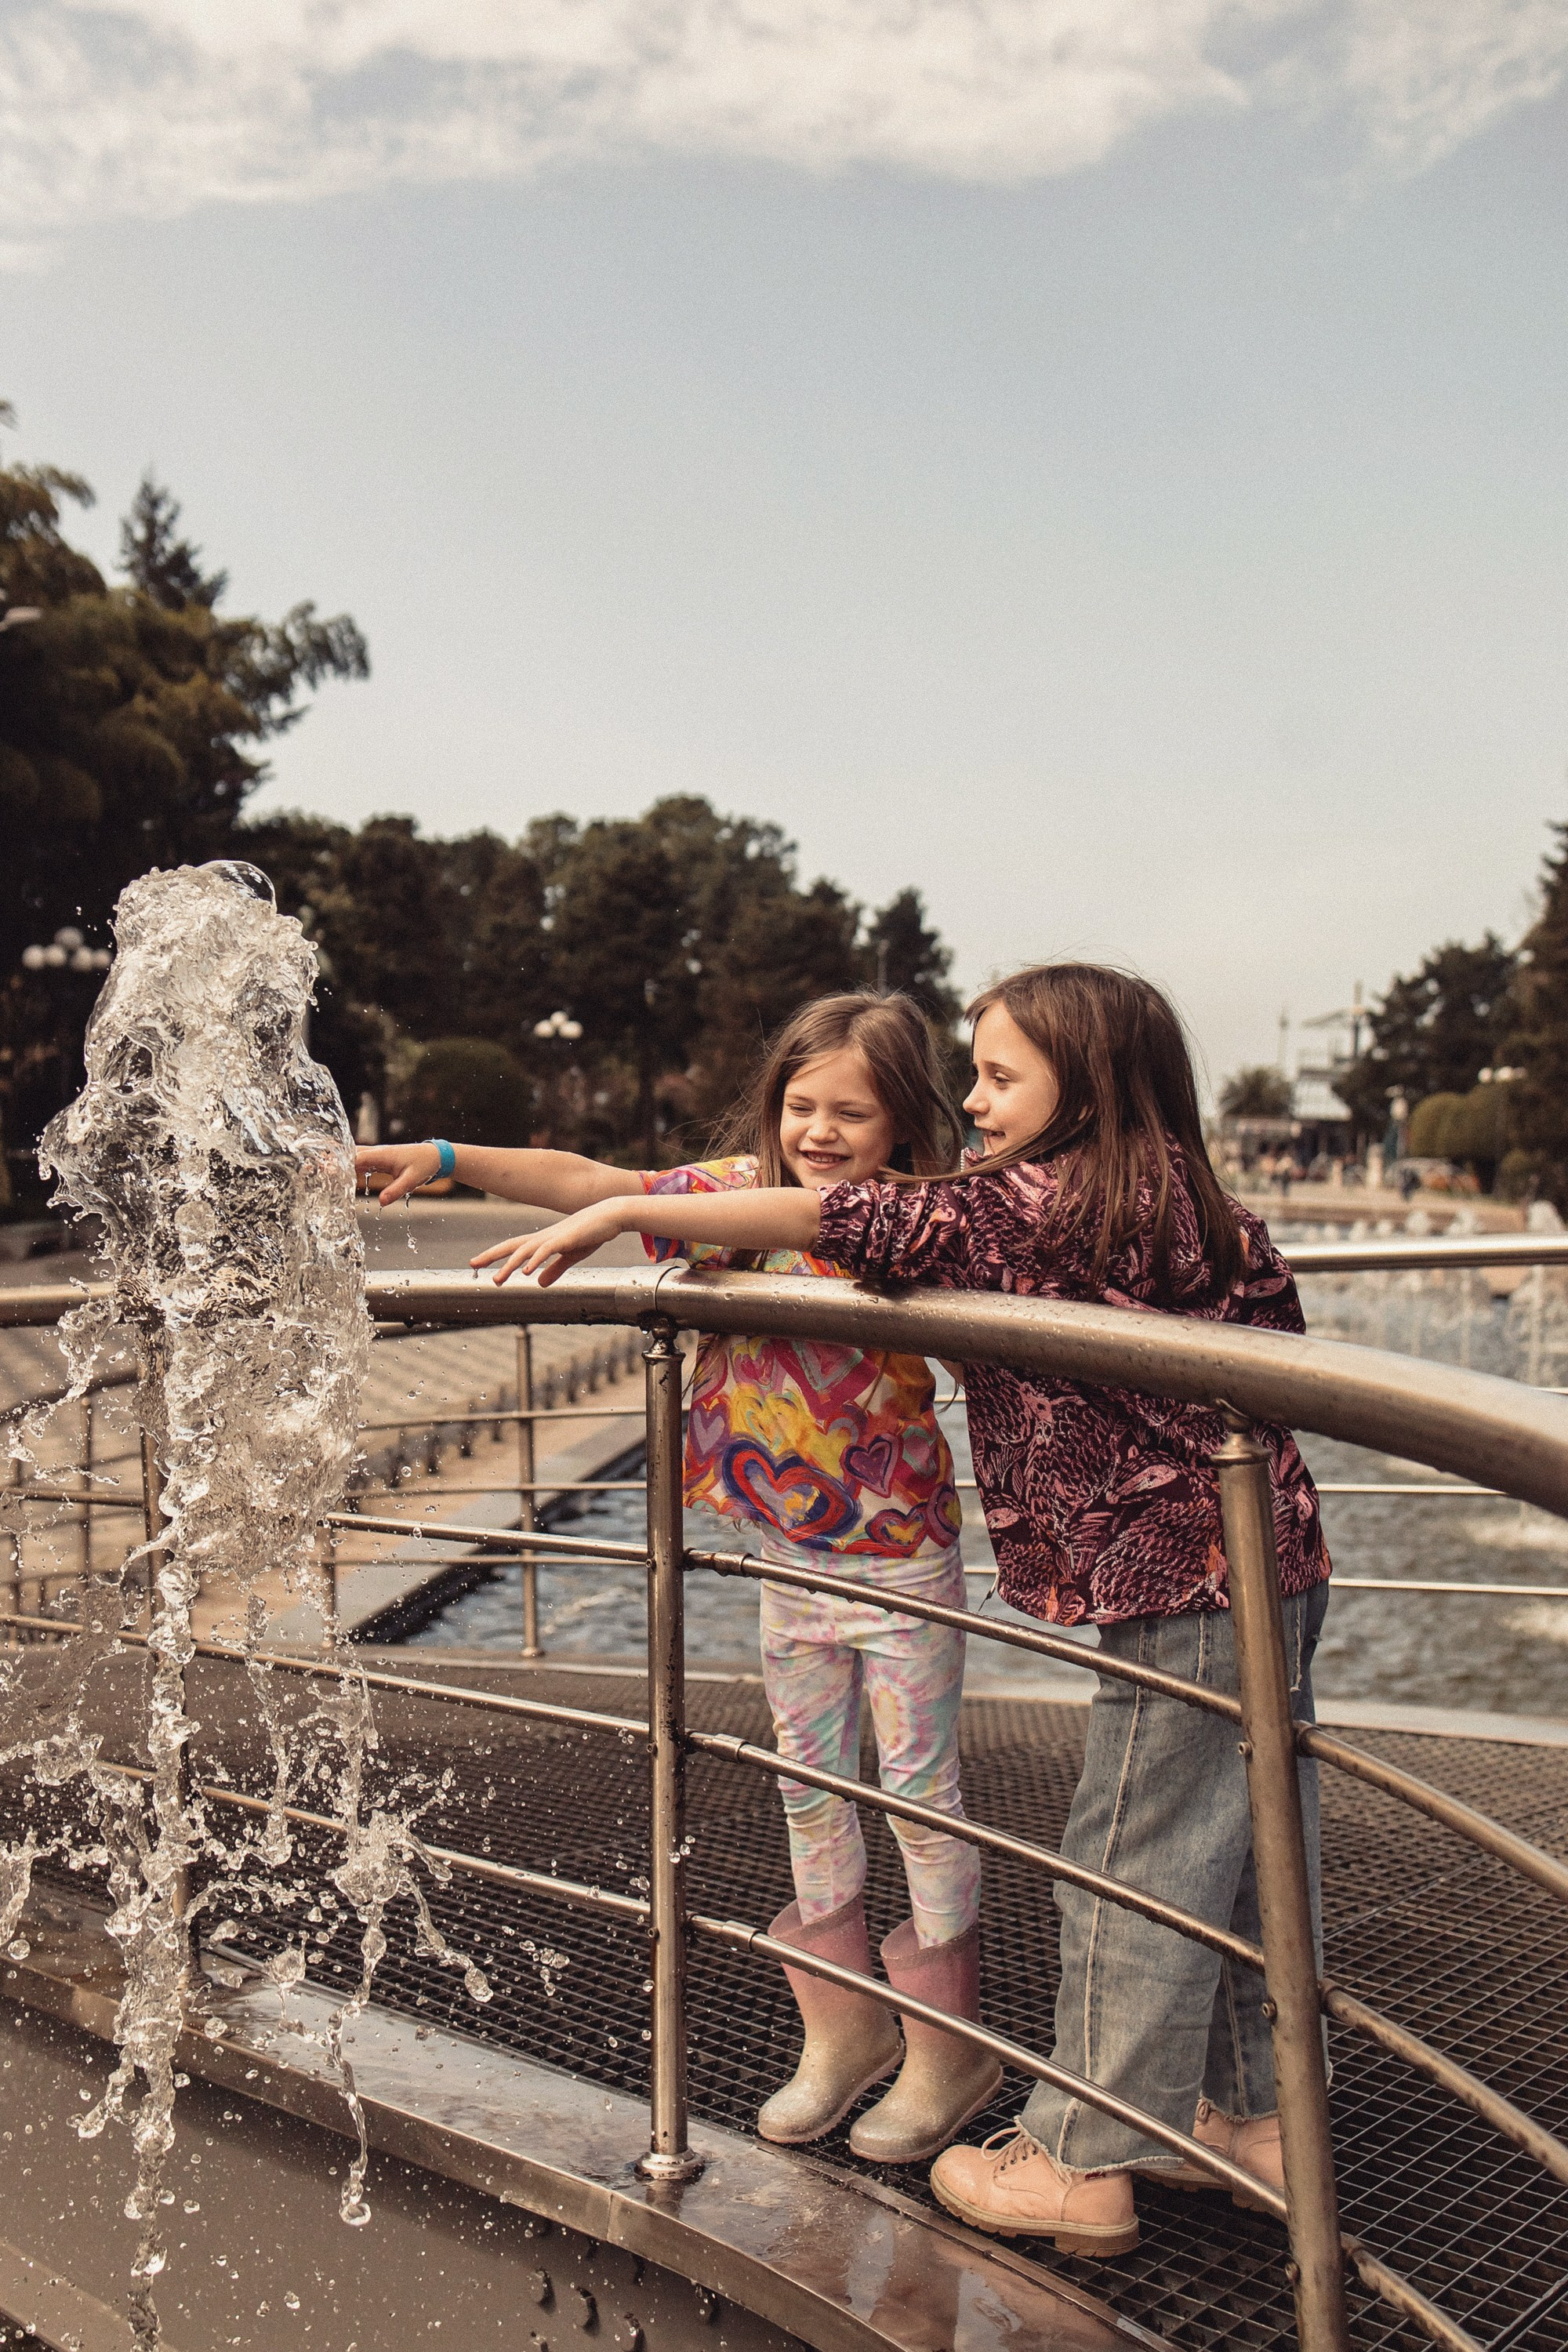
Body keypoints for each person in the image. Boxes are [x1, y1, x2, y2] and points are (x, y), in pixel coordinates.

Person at [500, 964, 1331, 2259]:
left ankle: (1081, 2156)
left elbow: (869, 1223)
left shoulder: (1038, 1202)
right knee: (1237, 1857)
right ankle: (1245, 2117)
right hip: (1275, 1551)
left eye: (1000, 1078)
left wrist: (617, 1209)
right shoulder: (1190, 1198)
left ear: (1086, 1084)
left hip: (1179, 1576)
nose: (979, 1103)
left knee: (1129, 1865)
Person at [357, 992, 1004, 2167]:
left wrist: (617, 1207)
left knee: (918, 1792)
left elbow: (669, 1198)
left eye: (850, 1110)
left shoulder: (912, 1212)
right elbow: (575, 1173)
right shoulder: (734, 1202)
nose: (818, 1128)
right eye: (800, 1104)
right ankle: (844, 2030)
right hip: (787, 1560)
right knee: (809, 1790)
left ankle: (949, 2045)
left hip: (899, 1560)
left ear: (904, 1122)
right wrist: (448, 1158)